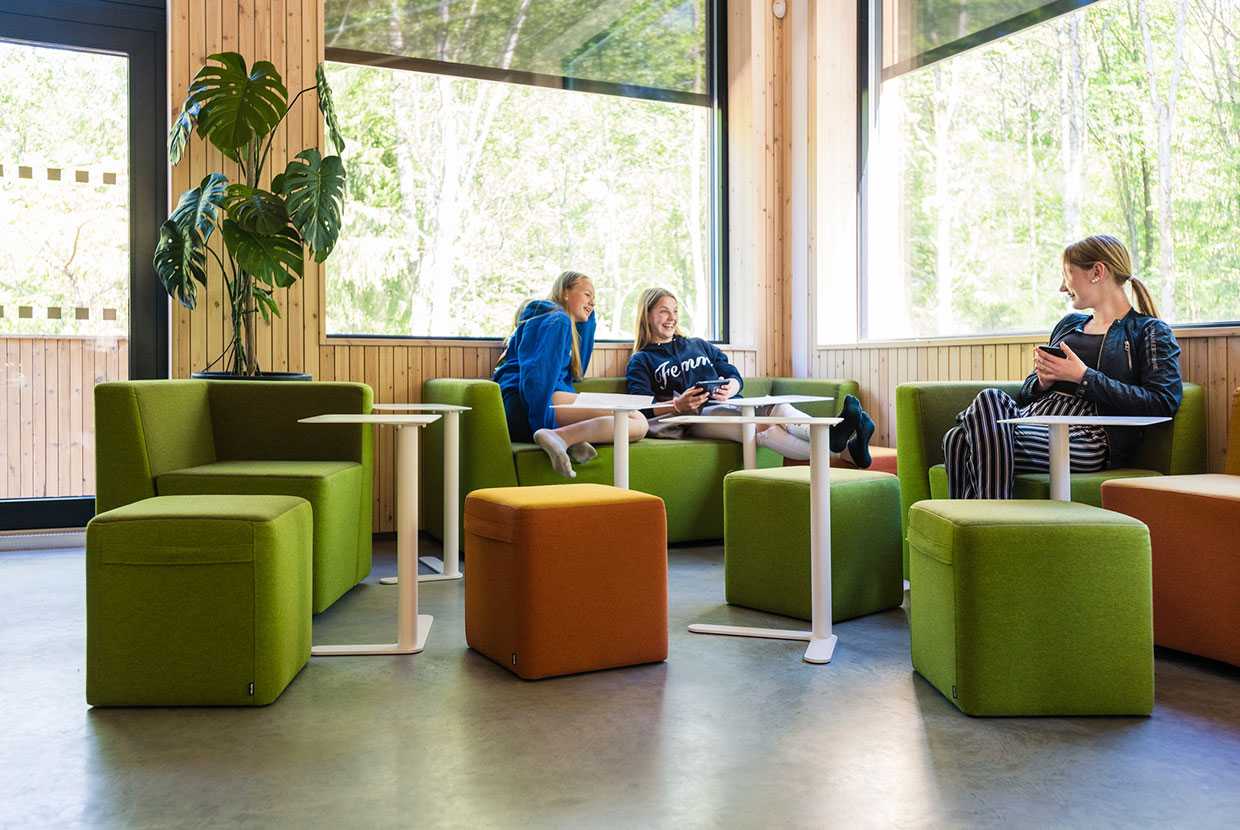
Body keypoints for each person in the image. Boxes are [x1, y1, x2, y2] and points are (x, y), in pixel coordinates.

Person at [943, 234, 1183, 499]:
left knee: (959, 440)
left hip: (1086, 436)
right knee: (989, 400)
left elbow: (1163, 401)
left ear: (1097, 272)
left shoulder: (1149, 331)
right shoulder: (1069, 324)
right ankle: (988, 520)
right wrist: (1042, 381)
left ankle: (986, 519)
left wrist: (1084, 378)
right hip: (1034, 419)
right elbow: (1027, 393)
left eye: (1067, 273)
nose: (1062, 286)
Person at [625, 287, 875, 465]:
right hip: (694, 417)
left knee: (777, 406)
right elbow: (640, 408)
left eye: (675, 311)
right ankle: (836, 440)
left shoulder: (698, 345)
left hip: (730, 403)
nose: (672, 318)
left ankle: (839, 442)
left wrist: (731, 388)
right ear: (647, 315)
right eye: (663, 311)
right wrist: (678, 405)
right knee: (761, 425)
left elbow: (732, 374)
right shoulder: (642, 359)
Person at [493, 270, 647, 478]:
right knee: (635, 417)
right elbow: (537, 378)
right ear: (565, 293)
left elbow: (577, 372)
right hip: (527, 405)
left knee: (636, 420)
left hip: (523, 405)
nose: (593, 303)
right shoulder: (557, 320)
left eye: (594, 299)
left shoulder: (557, 322)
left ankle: (565, 437)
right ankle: (558, 436)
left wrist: (587, 321)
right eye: (587, 295)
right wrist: (541, 423)